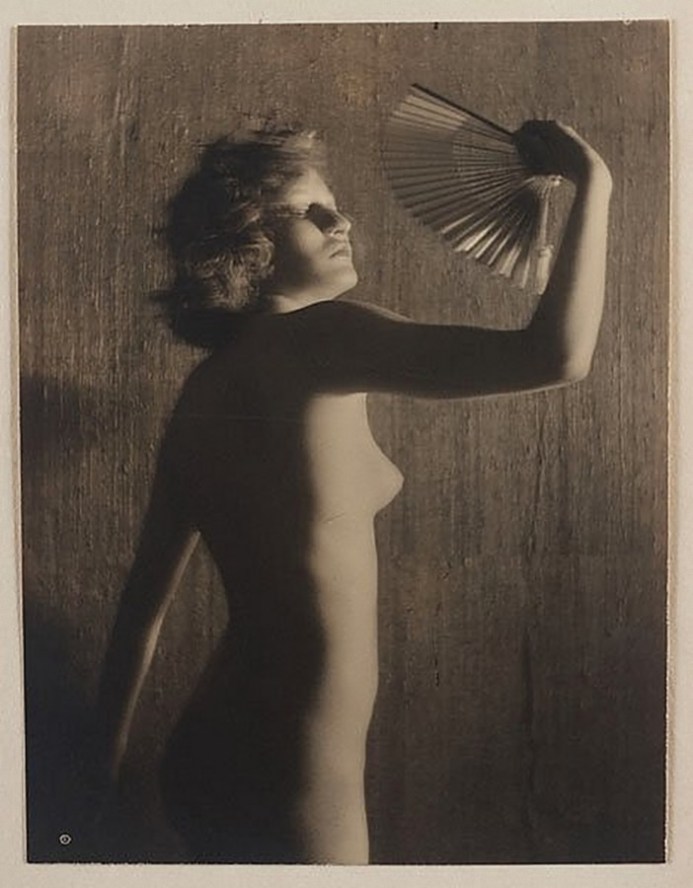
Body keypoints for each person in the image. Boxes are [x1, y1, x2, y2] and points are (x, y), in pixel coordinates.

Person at [96, 122, 612, 864]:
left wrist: (97, 778)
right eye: (306, 211)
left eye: (332, 206)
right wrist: (595, 184)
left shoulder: (204, 391)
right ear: (246, 240)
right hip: (296, 764)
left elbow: (140, 609)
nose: (340, 221)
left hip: (209, 749)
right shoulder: (323, 337)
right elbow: (556, 357)